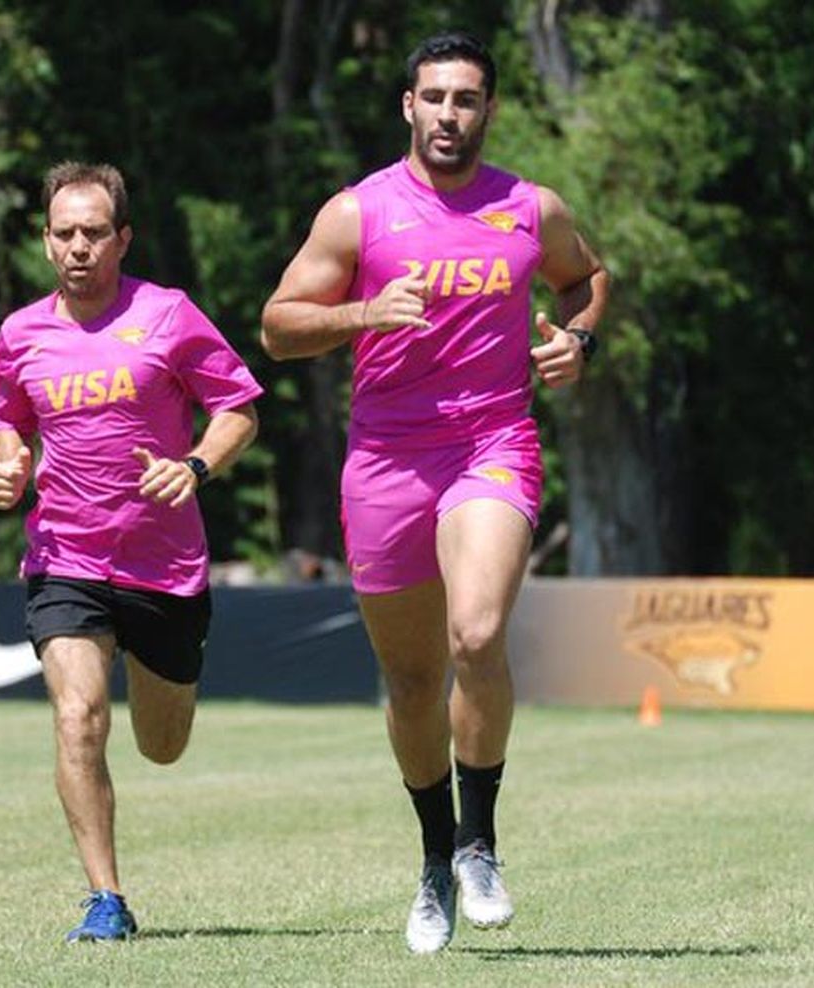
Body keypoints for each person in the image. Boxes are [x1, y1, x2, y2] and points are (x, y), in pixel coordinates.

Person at [260, 32, 609, 954]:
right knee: (413, 679)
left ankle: (480, 840)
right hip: (384, 462)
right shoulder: (358, 214)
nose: (450, 114)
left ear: (488, 110)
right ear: (407, 107)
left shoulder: (532, 208)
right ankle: (433, 860)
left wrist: (581, 341)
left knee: (478, 633)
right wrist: (360, 313)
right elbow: (278, 326)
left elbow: (589, 280)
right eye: (435, 97)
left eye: (467, 99)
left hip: (491, 443)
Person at [0, 161, 262, 943]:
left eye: (95, 233)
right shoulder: (20, 334)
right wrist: (9, 466)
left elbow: (238, 408)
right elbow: (7, 418)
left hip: (166, 569)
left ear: (123, 238)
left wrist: (197, 464)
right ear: (46, 244)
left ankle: (169, 691)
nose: (80, 247)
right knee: (78, 719)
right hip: (64, 557)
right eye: (65, 234)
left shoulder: (169, 315)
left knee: (162, 745)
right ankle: (106, 899)